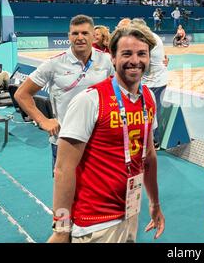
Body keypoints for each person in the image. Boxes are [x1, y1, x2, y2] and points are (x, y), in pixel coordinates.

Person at [48, 25, 165, 243]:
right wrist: (62, 228)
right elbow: (64, 169)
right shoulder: (90, 100)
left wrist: (155, 203)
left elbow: (148, 156)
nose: (135, 60)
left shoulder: (147, 97)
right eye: (127, 54)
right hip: (94, 223)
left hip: (130, 212)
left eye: (142, 54)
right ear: (112, 57)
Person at [14, 15, 114, 175]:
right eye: (75, 33)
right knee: (66, 195)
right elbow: (22, 94)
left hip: (99, 142)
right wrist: (43, 121)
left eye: (85, 33)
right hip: (66, 142)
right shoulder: (54, 64)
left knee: (99, 194)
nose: (80, 38)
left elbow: (120, 88)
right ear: (69, 36)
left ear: (93, 36)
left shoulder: (106, 60)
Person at [131, 18, 169, 150]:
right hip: (155, 80)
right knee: (150, 110)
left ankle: (155, 141)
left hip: (155, 81)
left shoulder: (147, 40)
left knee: (153, 111)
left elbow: (144, 64)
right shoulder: (153, 36)